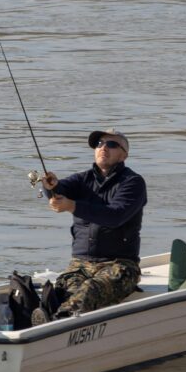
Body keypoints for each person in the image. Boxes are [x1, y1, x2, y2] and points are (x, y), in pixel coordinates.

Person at [35, 127, 147, 323]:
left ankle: (57, 322)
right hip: (80, 265)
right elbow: (60, 190)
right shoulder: (81, 180)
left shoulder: (133, 183)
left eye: (111, 144)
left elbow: (115, 216)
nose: (103, 148)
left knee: (90, 290)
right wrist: (49, 187)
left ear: (124, 155)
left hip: (120, 265)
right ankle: (42, 317)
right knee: (63, 291)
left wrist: (72, 206)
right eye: (99, 144)